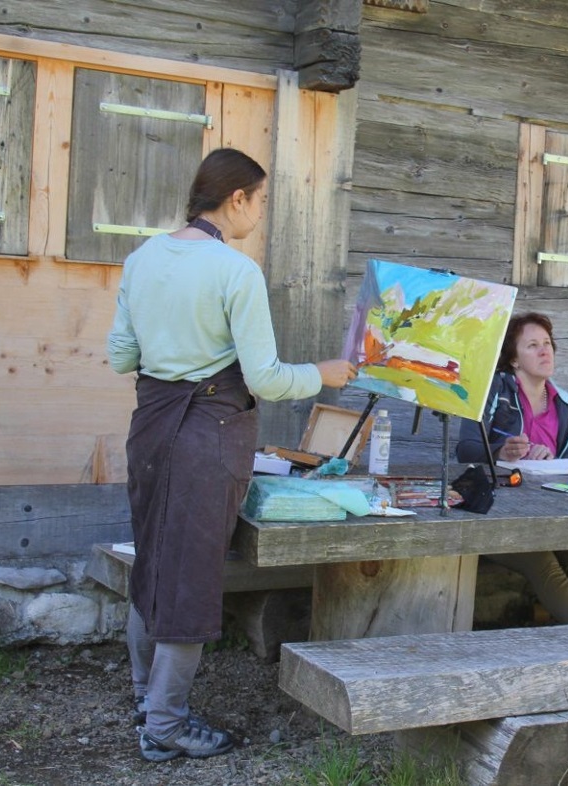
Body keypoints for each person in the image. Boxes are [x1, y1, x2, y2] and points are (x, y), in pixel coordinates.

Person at [106, 148, 356, 762]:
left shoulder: (142, 259)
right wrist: (324, 372)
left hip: (150, 427)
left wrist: (170, 358)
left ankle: (146, 696)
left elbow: (120, 357)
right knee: (190, 574)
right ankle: (163, 726)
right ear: (236, 199)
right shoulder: (234, 270)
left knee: (153, 561)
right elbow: (266, 379)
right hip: (208, 434)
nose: (260, 214)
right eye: (261, 201)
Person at [455, 312, 568, 623]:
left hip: (551, 510)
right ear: (514, 359)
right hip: (497, 513)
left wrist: (554, 461)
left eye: (547, 343)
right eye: (532, 345)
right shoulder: (493, 388)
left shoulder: (565, 401)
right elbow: (464, 448)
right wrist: (500, 451)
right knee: (541, 558)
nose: (544, 350)